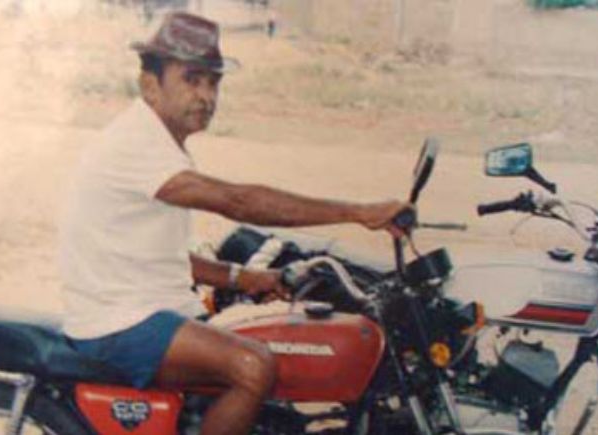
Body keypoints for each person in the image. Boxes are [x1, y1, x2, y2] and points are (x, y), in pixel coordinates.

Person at [59, 12, 412, 435]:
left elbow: (155, 256)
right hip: (119, 324)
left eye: (214, 83)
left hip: (144, 310)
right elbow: (237, 201)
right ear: (149, 84)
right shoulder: (136, 144)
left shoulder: (158, 141)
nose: (206, 96)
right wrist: (358, 213)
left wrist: (244, 278)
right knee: (253, 366)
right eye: (192, 79)